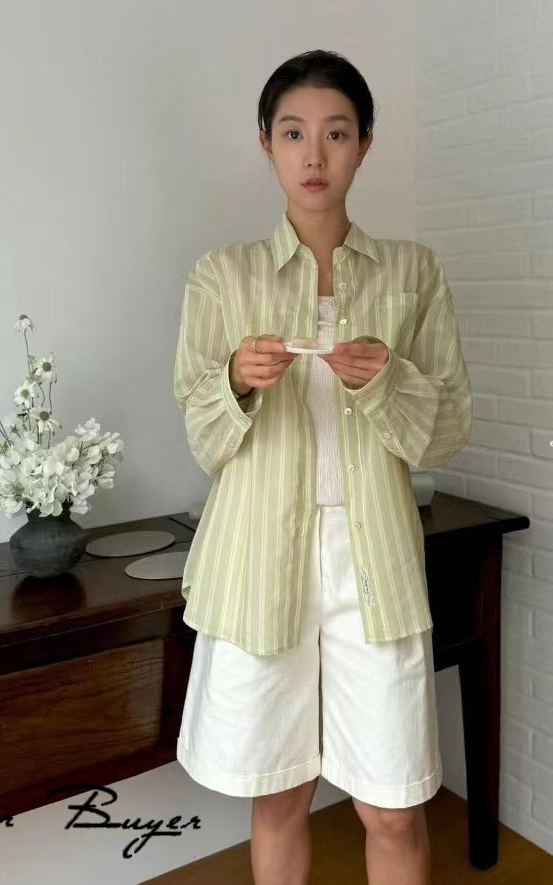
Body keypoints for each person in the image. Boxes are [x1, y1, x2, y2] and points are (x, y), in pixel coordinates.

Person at [173, 49, 472, 885]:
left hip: (371, 558)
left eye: (336, 133)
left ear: (364, 144)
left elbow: (446, 429)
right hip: (255, 558)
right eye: (293, 133)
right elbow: (201, 434)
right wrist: (234, 379)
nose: (314, 154)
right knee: (279, 793)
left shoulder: (412, 270)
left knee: (392, 803)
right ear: (265, 144)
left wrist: (387, 380)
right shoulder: (222, 274)